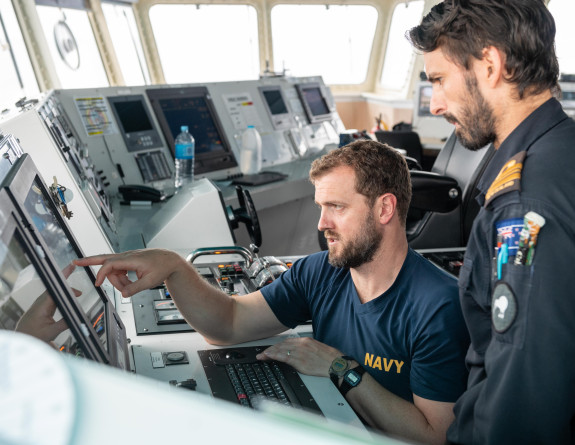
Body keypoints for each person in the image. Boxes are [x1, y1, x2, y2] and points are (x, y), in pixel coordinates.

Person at [75, 140, 469, 445]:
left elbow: (434, 436)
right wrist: (176, 269)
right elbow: (228, 323)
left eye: (336, 207)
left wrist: (341, 368)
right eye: (320, 207)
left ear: (384, 209)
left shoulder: (439, 306)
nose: (322, 223)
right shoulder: (321, 272)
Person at [408, 1, 575, 443]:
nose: (437, 104)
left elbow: (524, 392)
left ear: (490, 65)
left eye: (440, 80)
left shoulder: (522, 204)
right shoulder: (563, 149)